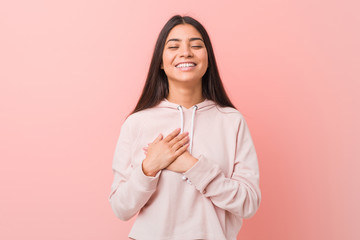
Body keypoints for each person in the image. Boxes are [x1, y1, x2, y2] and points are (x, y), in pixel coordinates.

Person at [108, 14, 261, 240]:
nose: (186, 52)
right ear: (160, 61)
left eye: (196, 45)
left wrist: (193, 167)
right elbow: (121, 208)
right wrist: (149, 167)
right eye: (174, 46)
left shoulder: (231, 121)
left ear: (208, 58)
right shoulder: (137, 123)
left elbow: (248, 204)